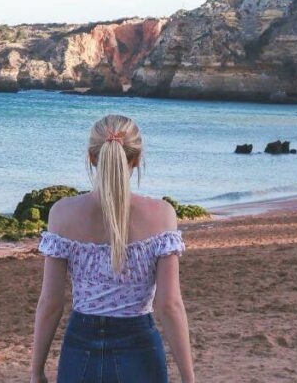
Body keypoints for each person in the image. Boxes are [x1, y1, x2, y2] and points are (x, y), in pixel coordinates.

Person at [30, 115, 195, 383]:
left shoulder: (62, 213)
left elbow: (51, 303)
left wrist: (36, 372)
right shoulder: (162, 215)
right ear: (137, 159)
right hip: (141, 350)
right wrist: (189, 378)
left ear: (92, 158)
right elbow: (170, 305)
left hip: (79, 351)